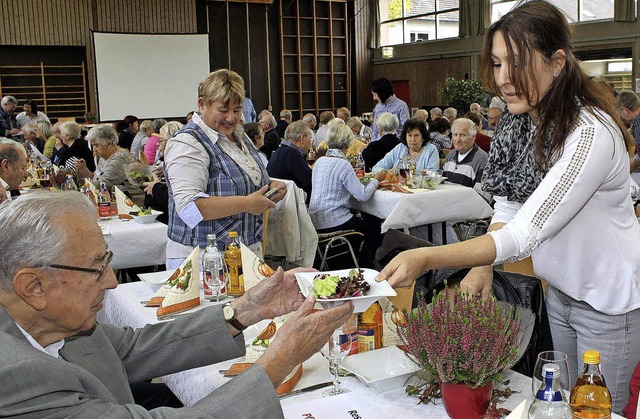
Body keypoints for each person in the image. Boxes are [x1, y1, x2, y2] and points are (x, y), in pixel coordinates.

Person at [377, 1, 640, 414]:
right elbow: (511, 203)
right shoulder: (525, 121)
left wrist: (426, 256)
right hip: (562, 293)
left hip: (607, 301)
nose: (502, 78)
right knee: (562, 408)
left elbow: (526, 233)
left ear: (557, 62)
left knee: (594, 411)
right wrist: (481, 266)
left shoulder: (591, 133)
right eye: (497, 64)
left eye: (515, 63)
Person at [0, 190, 353, 417]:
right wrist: (279, 360)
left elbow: (133, 349)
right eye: (96, 268)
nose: (110, 281)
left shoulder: (50, 324)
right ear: (33, 286)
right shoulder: (16, 379)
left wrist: (246, 310)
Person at [164, 69, 287, 268]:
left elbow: (246, 180)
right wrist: (247, 203)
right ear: (202, 105)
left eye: (237, 110)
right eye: (223, 110)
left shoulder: (239, 135)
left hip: (244, 251)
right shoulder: (188, 143)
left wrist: (269, 187)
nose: (231, 118)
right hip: (204, 259)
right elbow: (189, 208)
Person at [309, 122, 387, 268]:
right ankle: (365, 267)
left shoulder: (319, 162)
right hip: (333, 221)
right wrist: (376, 180)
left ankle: (350, 259)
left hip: (314, 221)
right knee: (375, 228)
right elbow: (362, 196)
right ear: (348, 142)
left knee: (362, 221)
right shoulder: (342, 164)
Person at [76, 125, 145, 206]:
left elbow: (103, 185)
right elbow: (96, 178)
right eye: (93, 145)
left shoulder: (119, 159)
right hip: (116, 201)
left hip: (132, 204)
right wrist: (84, 169)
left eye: (96, 145)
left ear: (109, 143)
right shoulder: (103, 157)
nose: (94, 149)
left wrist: (78, 185)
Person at [372, 118, 439, 174]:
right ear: (405, 136)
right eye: (410, 135)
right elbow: (376, 168)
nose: (413, 139)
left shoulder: (431, 150)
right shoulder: (400, 148)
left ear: (423, 137)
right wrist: (388, 172)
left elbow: (433, 174)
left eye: (416, 135)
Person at [266, 120, 313, 199]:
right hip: (288, 202)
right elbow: (309, 181)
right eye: (310, 137)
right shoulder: (292, 154)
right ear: (302, 138)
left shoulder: (282, 150)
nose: (311, 142)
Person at [442, 118, 488, 189]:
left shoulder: (482, 160)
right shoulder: (450, 155)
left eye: (462, 135)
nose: (457, 139)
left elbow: (482, 196)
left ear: (473, 137)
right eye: (455, 134)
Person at [369, 77, 410, 142]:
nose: (374, 98)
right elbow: (375, 131)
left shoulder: (401, 106)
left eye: (375, 95)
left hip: (397, 144)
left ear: (382, 93)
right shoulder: (377, 107)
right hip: (380, 144)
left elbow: (407, 128)